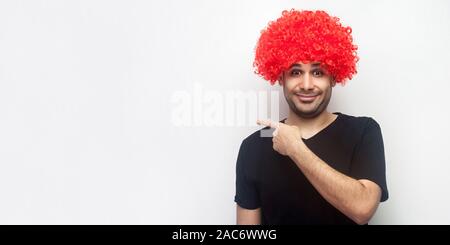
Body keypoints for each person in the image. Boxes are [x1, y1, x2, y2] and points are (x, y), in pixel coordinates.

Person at [234, 9, 388, 225]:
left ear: (333, 77)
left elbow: (363, 209)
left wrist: (296, 148)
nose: (306, 85)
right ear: (281, 78)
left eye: (318, 72)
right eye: (296, 72)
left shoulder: (363, 132)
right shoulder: (253, 146)